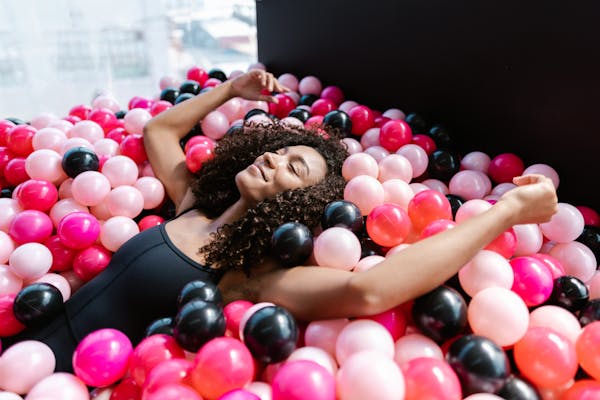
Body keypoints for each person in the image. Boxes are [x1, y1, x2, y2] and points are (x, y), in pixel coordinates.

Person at [1, 69, 559, 373]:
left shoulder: (247, 274)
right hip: (20, 340)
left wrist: (507, 210)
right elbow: (158, 134)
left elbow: (368, 291)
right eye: (275, 152)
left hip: (63, 381)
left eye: (293, 166)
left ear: (299, 206)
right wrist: (234, 89)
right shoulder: (195, 203)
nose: (270, 159)